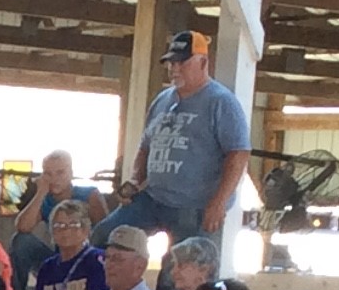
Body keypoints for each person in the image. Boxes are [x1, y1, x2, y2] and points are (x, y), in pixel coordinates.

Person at [101, 30, 251, 247]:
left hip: (194, 207)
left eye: (182, 62)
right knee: (105, 236)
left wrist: (218, 203)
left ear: (203, 62)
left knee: (178, 273)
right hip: (153, 198)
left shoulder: (221, 102)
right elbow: (146, 146)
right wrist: (135, 179)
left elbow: (238, 153)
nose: (174, 68)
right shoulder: (162, 100)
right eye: (171, 63)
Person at [8, 150, 107, 289]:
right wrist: (41, 192)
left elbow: (105, 233)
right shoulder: (45, 200)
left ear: (71, 173)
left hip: (89, 261)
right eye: (48, 174)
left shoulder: (90, 195)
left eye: (60, 172)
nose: (54, 179)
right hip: (57, 260)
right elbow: (22, 227)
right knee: (21, 241)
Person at [27, 201, 105, 290]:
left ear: (86, 230)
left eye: (74, 225)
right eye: (59, 225)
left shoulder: (97, 260)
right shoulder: (47, 267)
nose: (66, 231)